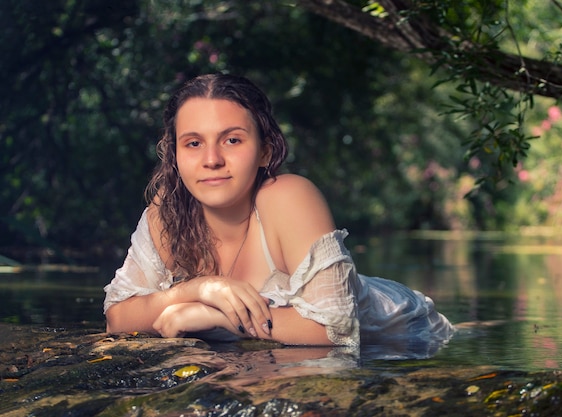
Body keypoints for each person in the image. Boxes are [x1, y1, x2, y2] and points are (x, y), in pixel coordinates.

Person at [104, 73, 454, 352]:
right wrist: (197, 289)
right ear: (175, 154)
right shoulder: (168, 210)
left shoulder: (288, 196)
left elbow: (337, 330)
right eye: (193, 143)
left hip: (408, 333)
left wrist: (219, 320)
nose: (211, 159)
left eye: (232, 140)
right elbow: (117, 318)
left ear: (265, 152)